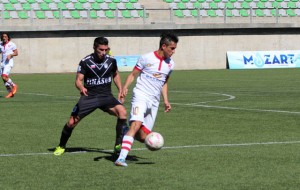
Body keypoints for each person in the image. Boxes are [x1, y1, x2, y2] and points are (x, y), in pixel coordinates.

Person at [54, 37, 128, 156]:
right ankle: (61, 146)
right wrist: (81, 88)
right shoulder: (85, 61)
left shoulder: (111, 61)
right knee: (72, 122)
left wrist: (120, 89)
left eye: (106, 50)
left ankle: (118, 145)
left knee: (122, 113)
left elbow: (115, 74)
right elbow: (78, 80)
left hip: (106, 96)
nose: (104, 53)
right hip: (89, 97)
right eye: (101, 50)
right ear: (94, 48)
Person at [115, 32, 179, 166]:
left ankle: (125, 132)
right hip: (141, 95)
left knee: (142, 136)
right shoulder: (146, 58)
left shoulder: (171, 64)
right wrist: (125, 87)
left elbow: (164, 82)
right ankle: (121, 158)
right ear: (163, 46)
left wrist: (166, 100)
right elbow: (133, 74)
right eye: (172, 48)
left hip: (154, 101)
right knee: (136, 125)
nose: (174, 51)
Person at [0, 33, 18, 98]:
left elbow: (16, 53)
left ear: (8, 37)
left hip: (8, 63)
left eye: (5, 36)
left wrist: (10, 55)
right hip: (2, 63)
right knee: (4, 80)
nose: (4, 38)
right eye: (3, 37)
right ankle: (10, 93)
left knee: (4, 76)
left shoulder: (12, 44)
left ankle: (14, 85)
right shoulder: (0, 44)